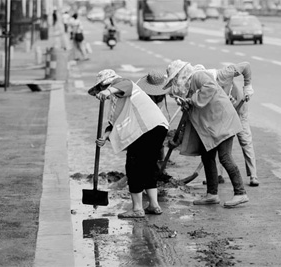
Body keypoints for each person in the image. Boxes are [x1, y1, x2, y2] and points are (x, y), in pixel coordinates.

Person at [163, 60, 249, 208]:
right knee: (207, 156)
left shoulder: (198, 76)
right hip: (212, 127)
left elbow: (211, 87)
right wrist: (179, 138)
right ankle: (212, 194)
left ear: (180, 75)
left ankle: (240, 193)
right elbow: (188, 117)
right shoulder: (189, 89)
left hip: (223, 121)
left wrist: (192, 100)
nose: (175, 83)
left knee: (225, 157)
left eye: (175, 79)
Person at [88, 69, 169, 218]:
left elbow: (126, 84)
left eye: (100, 89)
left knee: (134, 167)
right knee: (149, 166)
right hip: (157, 128)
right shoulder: (116, 100)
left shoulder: (120, 84)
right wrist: (105, 136)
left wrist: (108, 91)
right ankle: (154, 205)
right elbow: (113, 123)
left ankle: (137, 209)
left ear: (105, 85)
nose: (100, 93)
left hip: (145, 129)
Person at [206, 62, 259, 187]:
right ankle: (218, 175)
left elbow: (246, 66)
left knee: (245, 140)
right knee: (219, 139)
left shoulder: (225, 73)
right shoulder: (206, 85)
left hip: (239, 109)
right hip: (223, 113)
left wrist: (248, 86)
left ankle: (253, 175)